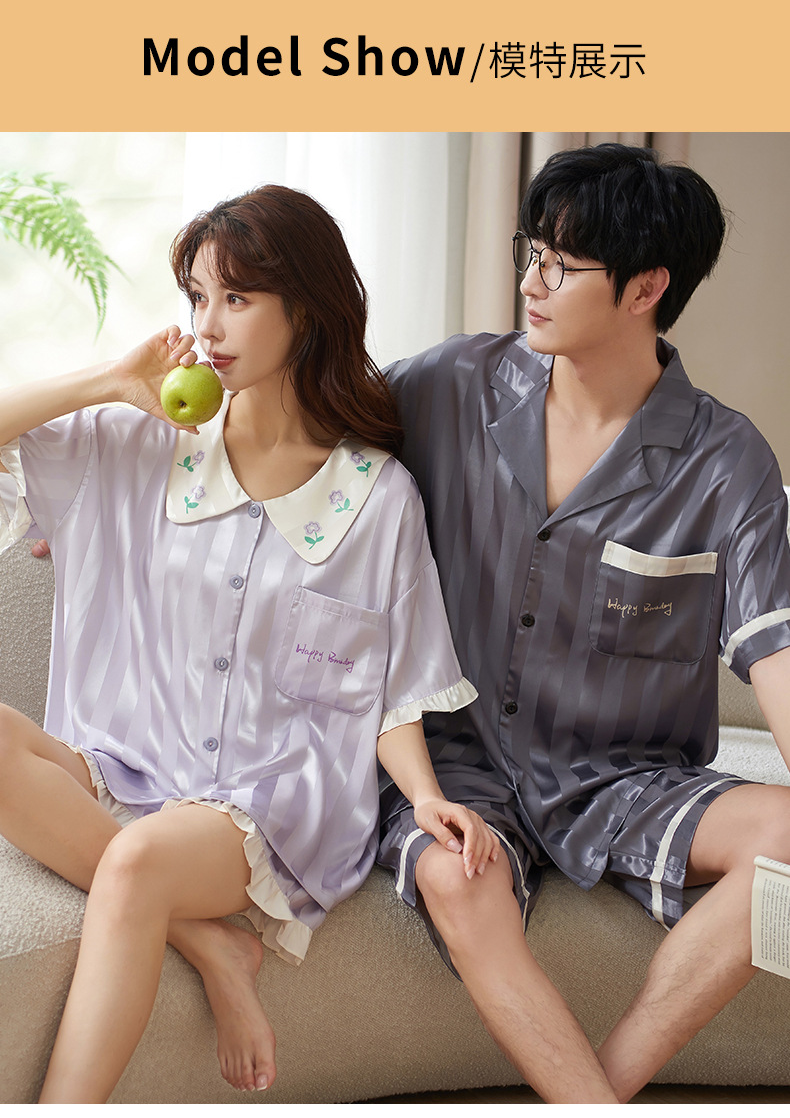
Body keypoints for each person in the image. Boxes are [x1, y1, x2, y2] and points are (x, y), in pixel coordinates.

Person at [0, 184, 499, 1103]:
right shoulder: (143, 441)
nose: (208, 324)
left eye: (237, 296)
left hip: (268, 794)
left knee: (138, 861)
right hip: (129, 759)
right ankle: (210, 944)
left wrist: (428, 796)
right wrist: (109, 381)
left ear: (304, 308)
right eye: (198, 295)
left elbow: (391, 682)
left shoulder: (374, 496)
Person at [378, 142, 790, 1101]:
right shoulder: (446, 386)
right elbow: (300, 440)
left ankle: (603, 1088)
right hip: (461, 763)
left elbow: (777, 646)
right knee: (454, 875)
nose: (531, 282)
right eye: (532, 252)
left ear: (647, 287)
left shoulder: (727, 462)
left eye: (562, 266)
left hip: (625, 776)